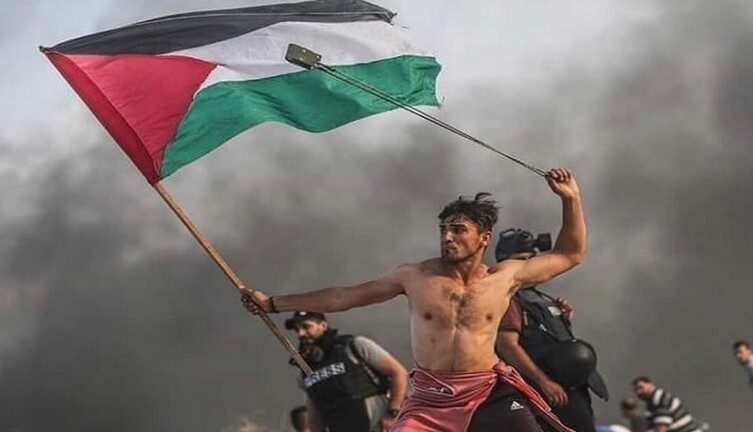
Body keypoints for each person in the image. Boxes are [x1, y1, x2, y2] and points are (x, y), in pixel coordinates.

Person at [243, 167, 586, 432]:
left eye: (458, 230)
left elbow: (570, 254)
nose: (447, 237)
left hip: (487, 391)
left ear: (484, 238)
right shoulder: (415, 276)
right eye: (443, 230)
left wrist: (570, 198)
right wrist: (273, 303)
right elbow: (345, 296)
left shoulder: (504, 277)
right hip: (430, 400)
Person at [495, 228, 609, 432]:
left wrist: (562, 318)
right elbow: (507, 346)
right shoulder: (507, 299)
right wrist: (543, 381)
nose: (528, 265)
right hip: (546, 391)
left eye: (532, 259)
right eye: (520, 260)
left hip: (570, 386)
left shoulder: (541, 298)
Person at [283, 311, 408, 432]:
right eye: (297, 329)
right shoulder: (306, 369)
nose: (301, 333)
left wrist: (393, 414)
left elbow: (399, 373)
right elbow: (314, 412)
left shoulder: (354, 346)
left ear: (323, 325)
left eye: (306, 326)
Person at [632, 376, 705, 432]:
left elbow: (661, 428)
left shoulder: (660, 400)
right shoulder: (652, 402)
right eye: (636, 390)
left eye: (640, 388)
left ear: (651, 384)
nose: (639, 392)